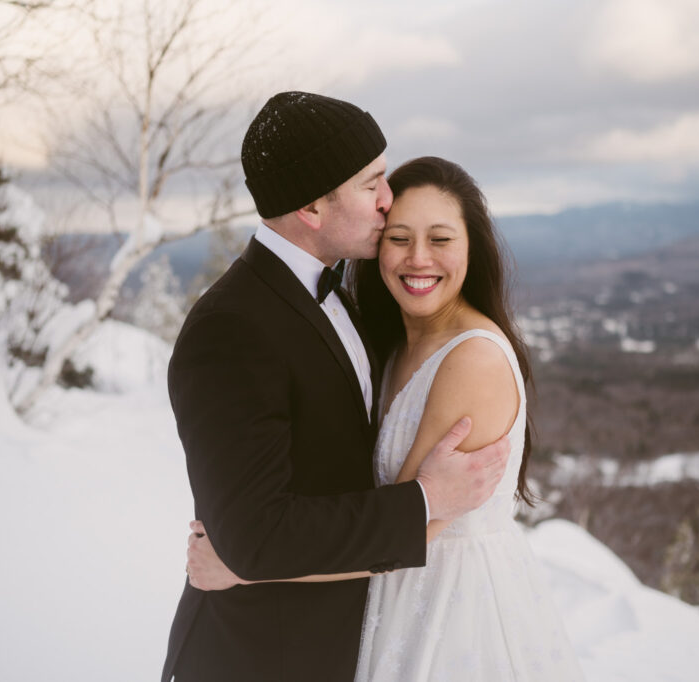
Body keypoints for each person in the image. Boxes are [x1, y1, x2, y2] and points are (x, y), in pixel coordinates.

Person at [185, 156, 585, 680]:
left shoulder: (471, 359)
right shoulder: (392, 341)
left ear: (472, 247)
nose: (418, 259)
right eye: (399, 238)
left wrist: (243, 568)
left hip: (449, 613)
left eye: (440, 239)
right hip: (389, 602)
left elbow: (406, 529)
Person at [162, 93, 510, 681]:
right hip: (261, 659)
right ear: (313, 209)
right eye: (370, 182)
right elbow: (258, 535)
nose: (387, 200)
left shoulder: (339, 293)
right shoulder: (232, 327)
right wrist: (426, 501)